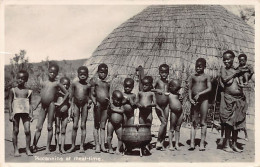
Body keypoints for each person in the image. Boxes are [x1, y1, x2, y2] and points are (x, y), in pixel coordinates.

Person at [32, 63, 69, 154]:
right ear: (48, 72)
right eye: (51, 72)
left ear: (57, 74)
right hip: (43, 107)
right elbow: (42, 96)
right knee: (38, 127)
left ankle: (47, 148)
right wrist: (36, 105)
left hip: (51, 106)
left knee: (49, 127)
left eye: (54, 73)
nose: (52, 74)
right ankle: (34, 145)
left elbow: (67, 93)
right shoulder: (44, 83)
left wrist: (61, 102)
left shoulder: (57, 83)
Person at [220, 50, 251, 153]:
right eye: (224, 59)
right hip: (229, 99)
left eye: (228, 59)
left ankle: (234, 144)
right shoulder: (224, 70)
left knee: (237, 123)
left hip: (239, 99)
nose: (226, 61)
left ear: (233, 59)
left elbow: (246, 76)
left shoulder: (237, 69)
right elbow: (224, 79)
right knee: (229, 123)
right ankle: (226, 145)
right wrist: (235, 73)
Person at [188, 58, 212, 151]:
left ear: (204, 67)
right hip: (194, 100)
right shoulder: (192, 76)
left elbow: (209, 88)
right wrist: (190, 98)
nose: (198, 68)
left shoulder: (207, 77)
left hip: (204, 100)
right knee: (194, 122)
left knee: (203, 122)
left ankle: (202, 143)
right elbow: (190, 88)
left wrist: (199, 94)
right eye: (196, 66)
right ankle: (192, 143)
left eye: (200, 66)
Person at [67, 66, 92, 153]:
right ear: (78, 75)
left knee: (83, 125)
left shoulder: (88, 86)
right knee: (75, 126)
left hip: (84, 105)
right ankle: (73, 145)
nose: (82, 76)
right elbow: (71, 96)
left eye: (84, 74)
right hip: (76, 105)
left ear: (87, 75)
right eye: (81, 74)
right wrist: (71, 107)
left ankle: (82, 146)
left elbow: (90, 96)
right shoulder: (74, 84)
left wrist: (90, 102)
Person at [9, 70, 33, 157]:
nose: (20, 80)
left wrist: (32, 114)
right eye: (19, 78)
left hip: (25, 113)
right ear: (16, 78)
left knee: (27, 130)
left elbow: (30, 103)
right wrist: (10, 114)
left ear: (26, 80)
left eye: (23, 78)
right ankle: (16, 149)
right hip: (16, 113)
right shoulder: (13, 90)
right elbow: (10, 102)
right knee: (16, 130)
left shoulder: (29, 91)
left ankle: (27, 149)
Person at [90, 63, 110, 153]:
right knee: (96, 125)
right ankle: (97, 145)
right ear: (98, 72)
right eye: (101, 72)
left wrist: (108, 100)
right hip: (97, 105)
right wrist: (94, 102)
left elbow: (108, 94)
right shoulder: (94, 81)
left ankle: (102, 145)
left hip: (105, 106)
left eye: (105, 73)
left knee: (103, 126)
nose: (103, 74)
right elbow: (91, 94)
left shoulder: (107, 83)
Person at [152, 64, 170, 150]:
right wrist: (157, 90)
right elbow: (149, 88)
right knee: (163, 122)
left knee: (165, 123)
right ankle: (158, 141)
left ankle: (162, 143)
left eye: (166, 72)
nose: (164, 74)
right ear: (159, 72)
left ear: (168, 73)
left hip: (166, 105)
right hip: (158, 104)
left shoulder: (168, 83)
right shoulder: (157, 81)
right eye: (162, 72)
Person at [54, 77, 71, 154]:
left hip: (65, 114)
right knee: (57, 130)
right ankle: (57, 147)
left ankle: (62, 147)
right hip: (57, 113)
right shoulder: (57, 93)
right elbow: (53, 103)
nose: (65, 86)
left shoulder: (68, 94)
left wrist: (70, 115)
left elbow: (70, 104)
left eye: (67, 85)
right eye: (63, 84)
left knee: (63, 130)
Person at [168, 79, 183, 151]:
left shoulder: (178, 95)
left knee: (178, 128)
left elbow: (180, 102)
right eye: (176, 88)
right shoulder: (169, 95)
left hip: (180, 112)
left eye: (178, 89)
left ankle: (176, 144)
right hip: (173, 112)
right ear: (170, 87)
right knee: (171, 129)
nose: (178, 90)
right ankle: (170, 144)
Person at [107, 90, 124, 154]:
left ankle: (118, 149)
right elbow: (108, 113)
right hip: (111, 123)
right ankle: (110, 148)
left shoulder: (121, 105)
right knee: (109, 136)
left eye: (119, 100)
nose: (118, 102)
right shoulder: (111, 105)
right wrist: (109, 107)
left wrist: (114, 109)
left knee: (120, 137)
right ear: (112, 98)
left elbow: (122, 111)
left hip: (119, 125)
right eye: (116, 100)